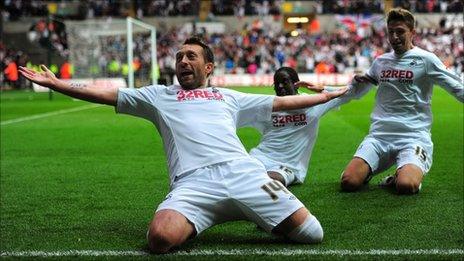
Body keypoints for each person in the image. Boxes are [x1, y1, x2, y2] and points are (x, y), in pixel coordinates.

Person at [19, 36, 348, 254]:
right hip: (193, 184)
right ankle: (219, 214)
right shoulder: (157, 96)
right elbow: (107, 95)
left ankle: (252, 209)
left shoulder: (228, 96)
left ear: (208, 67)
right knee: (160, 239)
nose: (182, 61)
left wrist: (325, 95)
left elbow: (279, 104)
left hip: (246, 174)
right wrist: (60, 85)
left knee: (311, 233)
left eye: (191, 56)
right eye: (179, 56)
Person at [340, 8, 463, 195]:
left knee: (406, 185)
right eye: (391, 32)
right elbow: (357, 89)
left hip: (413, 136)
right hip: (379, 136)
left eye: (400, 31)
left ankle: (399, 176)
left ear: (412, 32)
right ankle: (368, 171)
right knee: (348, 182)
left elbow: (456, 86)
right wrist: (327, 92)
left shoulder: (426, 60)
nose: (394, 37)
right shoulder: (380, 62)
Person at [249, 67, 367, 186]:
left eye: (284, 82)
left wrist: (323, 88)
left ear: (297, 84)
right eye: (276, 83)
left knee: (263, 182)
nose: (280, 86)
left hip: (286, 167)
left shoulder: (314, 103)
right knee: (237, 176)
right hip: (258, 157)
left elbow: (350, 93)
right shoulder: (268, 105)